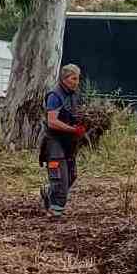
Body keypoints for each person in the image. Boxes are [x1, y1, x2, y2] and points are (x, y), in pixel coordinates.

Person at [39, 64, 87, 218]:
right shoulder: (54, 95)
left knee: (71, 176)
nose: (76, 82)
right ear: (64, 79)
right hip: (54, 142)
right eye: (74, 78)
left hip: (69, 142)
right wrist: (73, 130)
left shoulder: (74, 94)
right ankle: (54, 212)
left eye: (78, 78)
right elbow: (52, 122)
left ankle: (48, 191)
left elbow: (78, 113)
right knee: (60, 179)